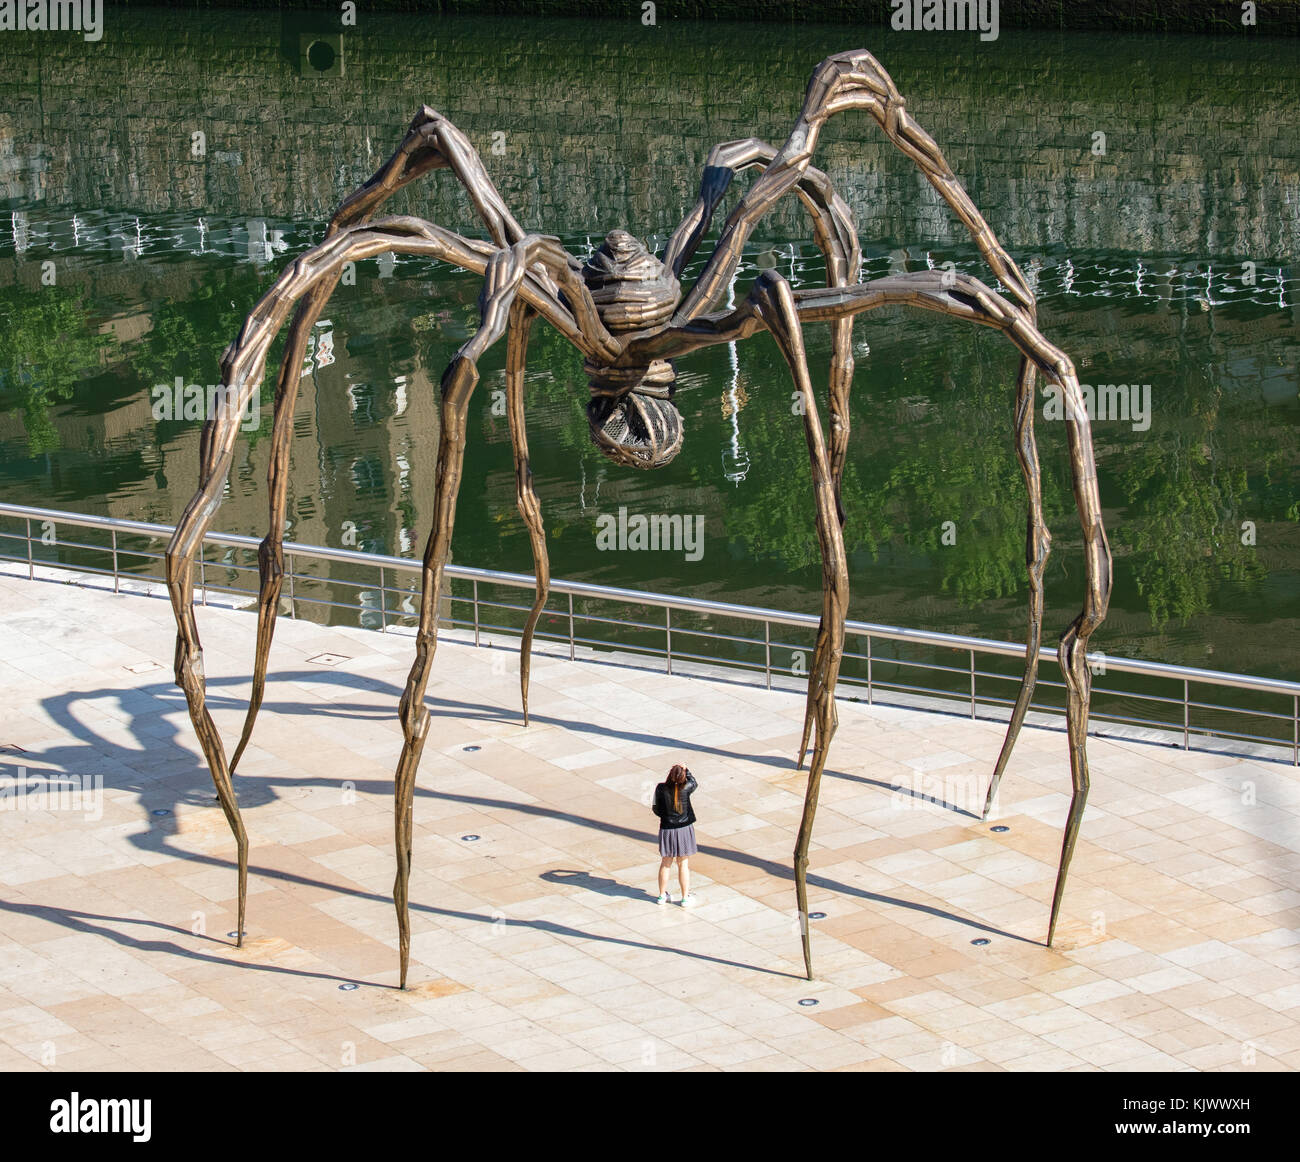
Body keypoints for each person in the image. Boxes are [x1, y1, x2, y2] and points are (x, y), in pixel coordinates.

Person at [652, 764, 698, 906]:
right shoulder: (686, 788)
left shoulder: (660, 788)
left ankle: (661, 895)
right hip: (684, 828)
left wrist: (666, 817)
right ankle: (685, 897)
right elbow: (694, 782)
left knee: (666, 863)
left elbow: (656, 808)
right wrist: (686, 769)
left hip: (667, 828)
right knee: (683, 863)